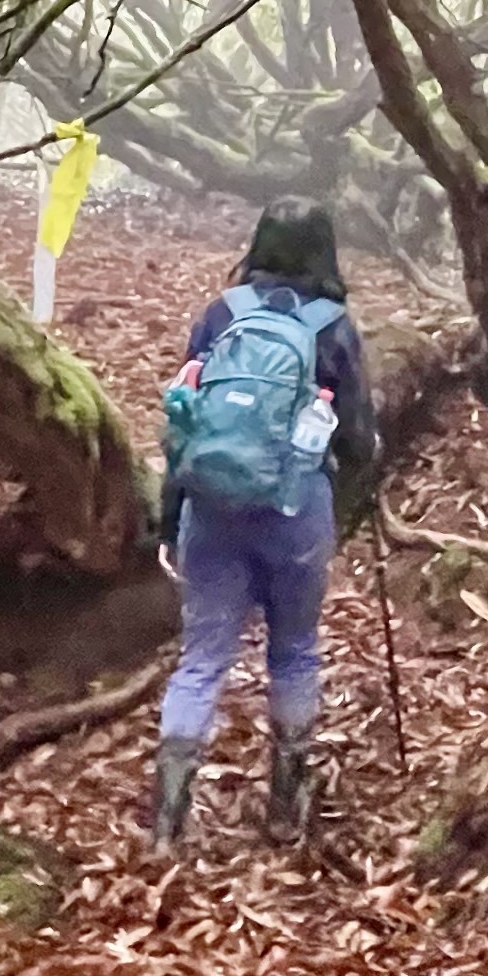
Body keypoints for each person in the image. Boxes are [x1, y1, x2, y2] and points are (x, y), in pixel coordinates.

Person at [149, 199, 379, 853]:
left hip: (212, 508)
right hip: (295, 508)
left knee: (200, 663)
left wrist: (171, 516)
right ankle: (285, 810)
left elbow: (185, 420)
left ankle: (166, 828)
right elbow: (360, 441)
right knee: (296, 651)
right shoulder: (334, 327)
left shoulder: (222, 316)